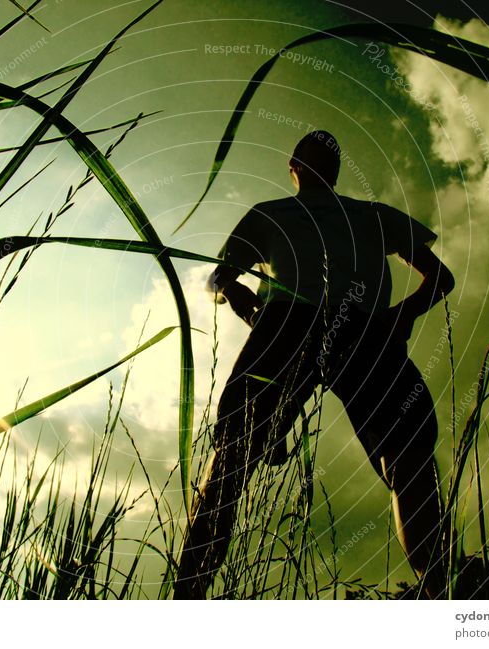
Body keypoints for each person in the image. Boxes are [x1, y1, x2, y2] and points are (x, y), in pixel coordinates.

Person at [173, 130, 455, 599]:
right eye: (318, 155)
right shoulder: (292, 215)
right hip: (320, 325)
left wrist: (397, 318)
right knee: (236, 456)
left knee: (405, 453)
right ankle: (443, 590)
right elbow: (221, 276)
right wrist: (246, 303)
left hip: (328, 329)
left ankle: (442, 590)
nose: (323, 163)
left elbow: (439, 277)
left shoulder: (359, 215)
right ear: (297, 166)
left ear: (297, 166)